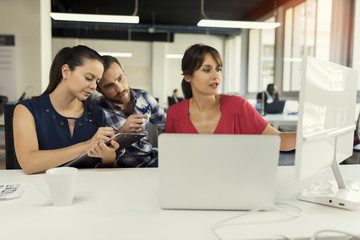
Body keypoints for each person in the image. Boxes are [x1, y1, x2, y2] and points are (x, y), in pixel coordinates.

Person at [165, 43, 296, 151]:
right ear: (188, 76)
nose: (216, 76)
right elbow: (172, 158)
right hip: (190, 181)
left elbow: (279, 140)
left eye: (218, 69)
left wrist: (309, 137)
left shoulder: (238, 106)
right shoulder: (174, 113)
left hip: (234, 181)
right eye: (206, 69)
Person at [13, 45, 120, 175]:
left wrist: (109, 155)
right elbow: (29, 164)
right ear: (65, 71)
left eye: (97, 81)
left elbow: (106, 172)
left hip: (89, 189)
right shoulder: (26, 109)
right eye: (88, 78)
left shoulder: (97, 113)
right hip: (41, 189)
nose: (93, 87)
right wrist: (87, 146)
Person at [94, 55, 166, 167]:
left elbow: (169, 125)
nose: (120, 89)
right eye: (109, 85)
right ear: (99, 90)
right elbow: (97, 159)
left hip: (154, 160)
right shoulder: (96, 112)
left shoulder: (144, 97)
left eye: (120, 78)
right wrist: (121, 134)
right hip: (127, 171)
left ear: (124, 73)